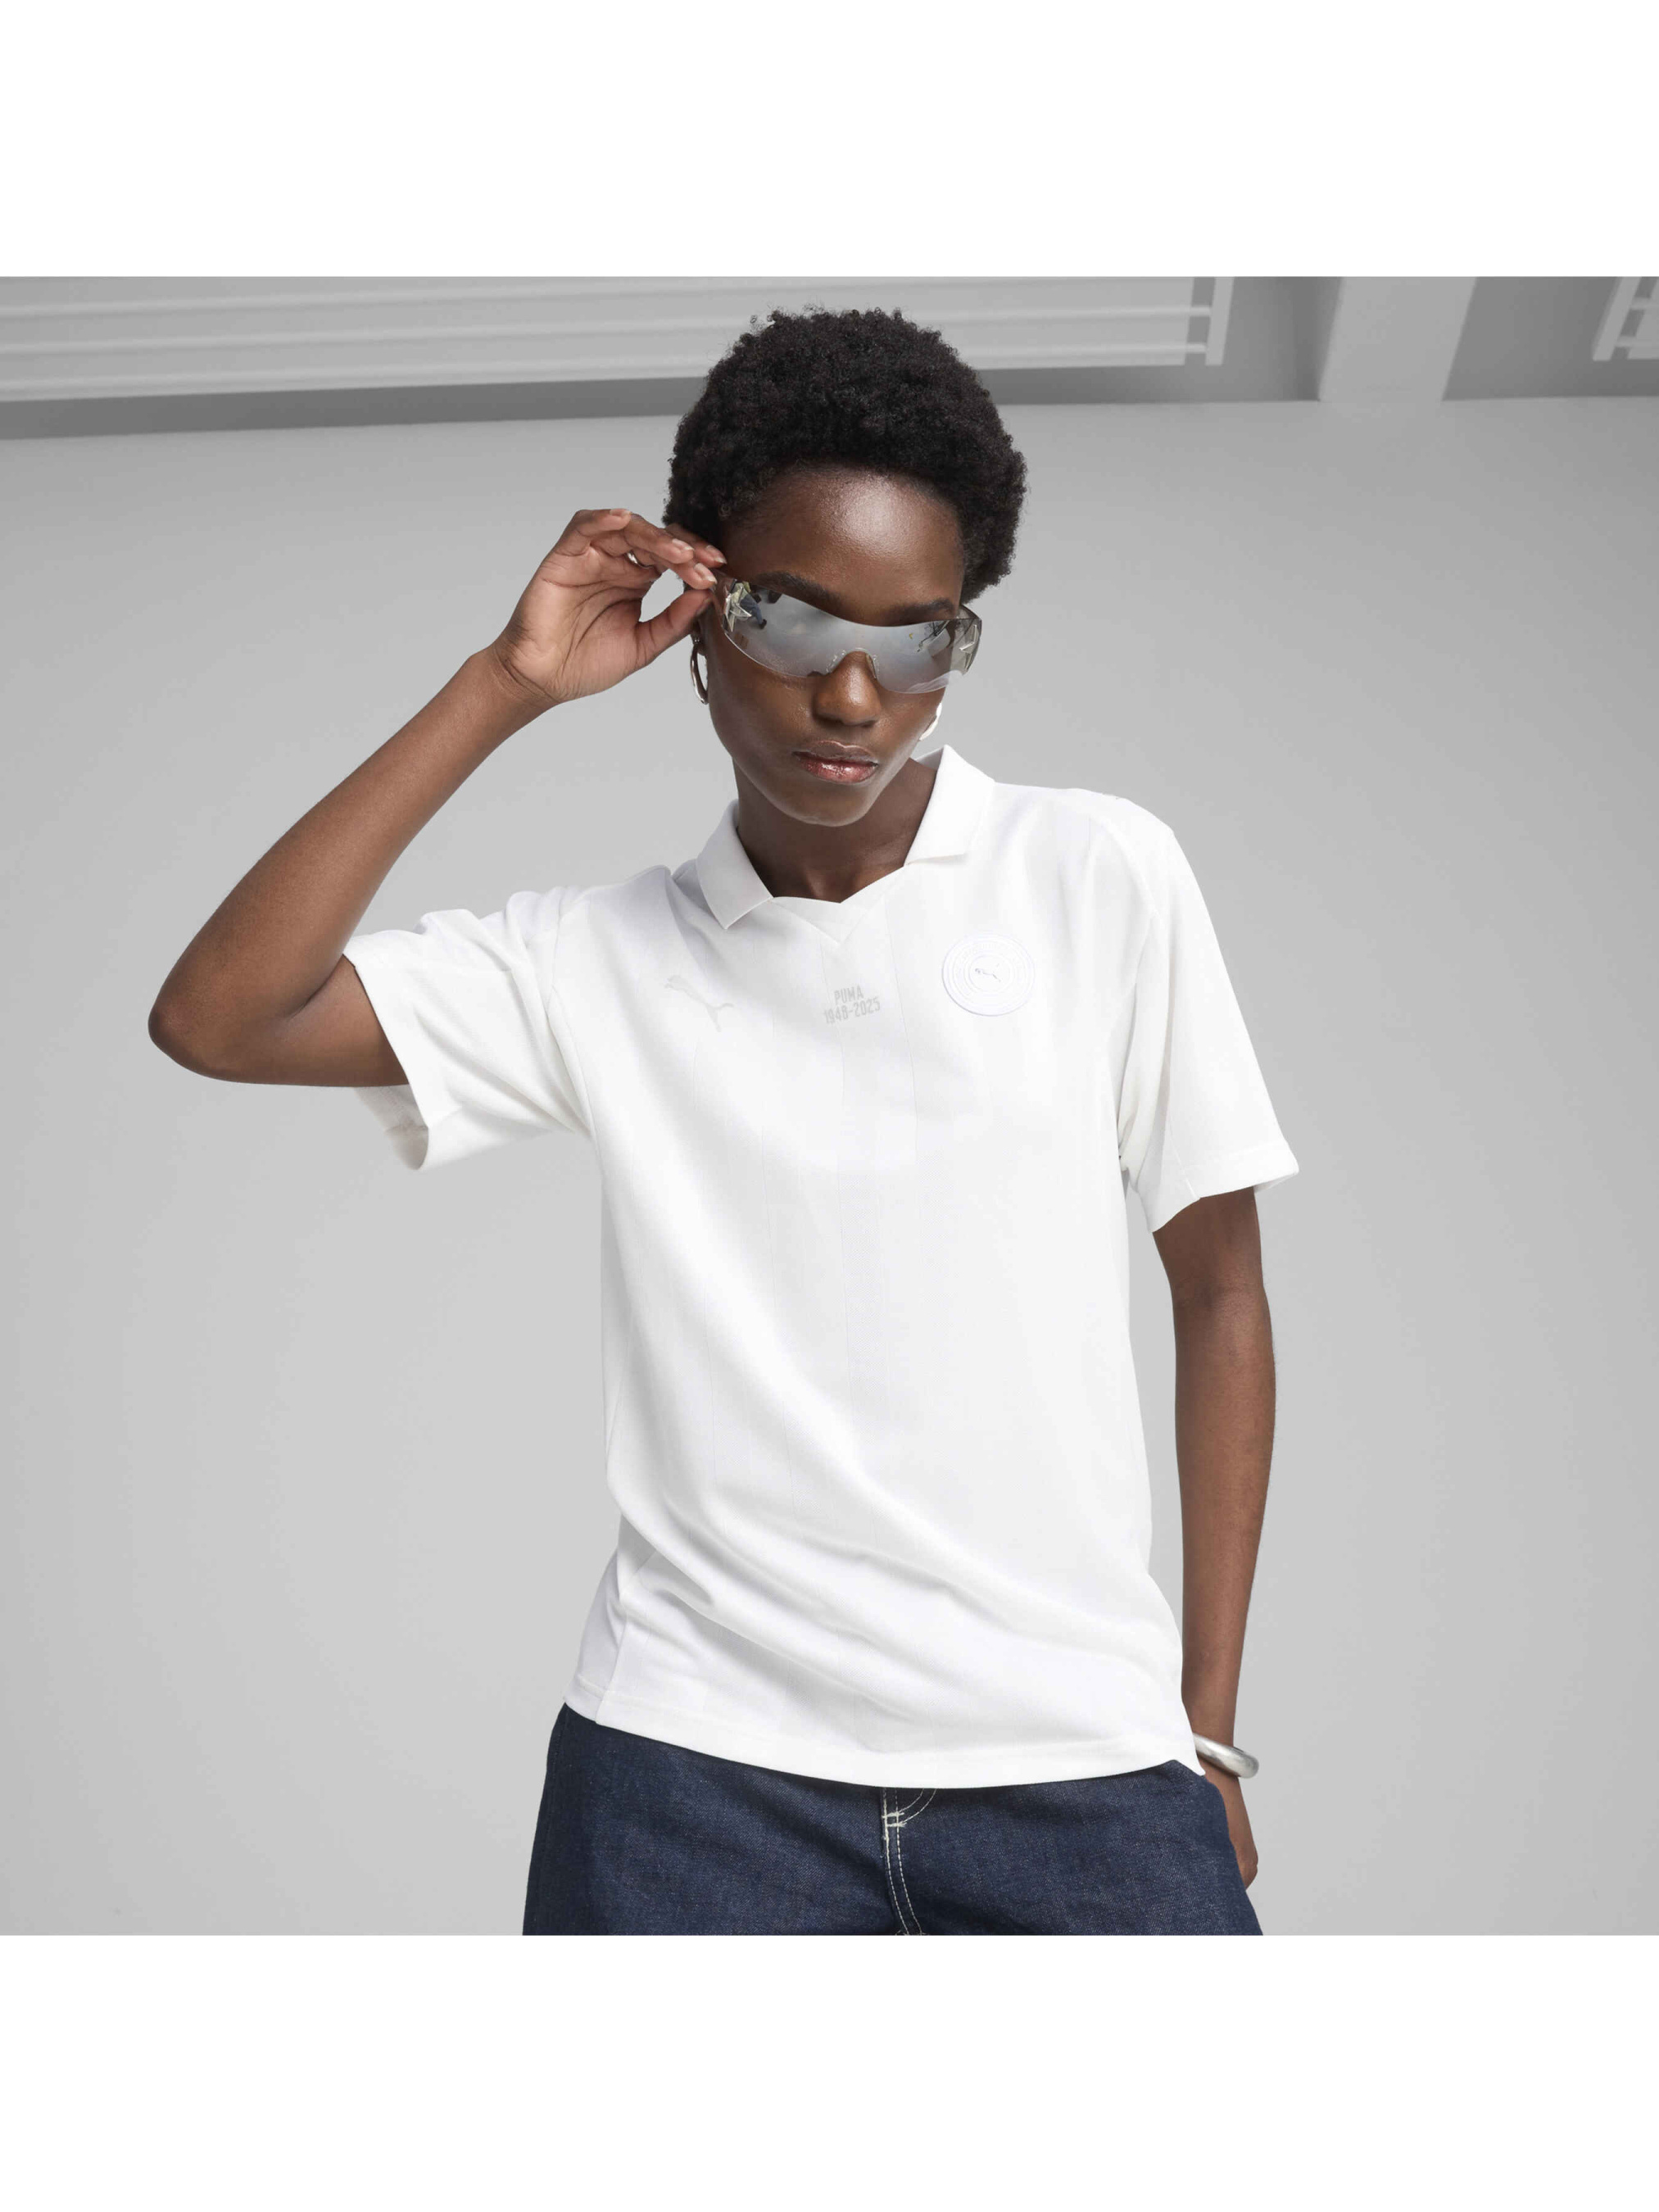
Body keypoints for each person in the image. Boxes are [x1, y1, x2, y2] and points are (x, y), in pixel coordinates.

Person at [150, 305, 1298, 1936]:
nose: (853, 694)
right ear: (699, 614)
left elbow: (1221, 1291)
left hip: (1078, 1752)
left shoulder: (1095, 874)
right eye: (793, 620)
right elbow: (221, 1015)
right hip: (691, 1775)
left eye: (918, 639)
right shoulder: (591, 960)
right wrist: (505, 684)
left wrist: (1206, 1719)